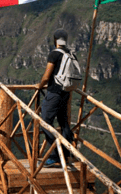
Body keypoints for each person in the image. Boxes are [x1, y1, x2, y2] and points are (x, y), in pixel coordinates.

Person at [37, 28, 74, 167]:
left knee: (45, 122)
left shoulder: (54, 54)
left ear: (55, 40)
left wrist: (40, 85)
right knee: (63, 122)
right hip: (66, 93)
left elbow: (47, 75)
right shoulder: (69, 53)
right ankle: (66, 152)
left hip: (54, 94)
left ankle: (56, 152)